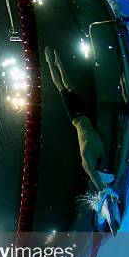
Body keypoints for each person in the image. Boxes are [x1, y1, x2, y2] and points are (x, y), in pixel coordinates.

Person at [44, 46, 107, 191]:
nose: (105, 167)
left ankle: (49, 62)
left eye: (104, 168)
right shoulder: (100, 151)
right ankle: (57, 63)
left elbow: (96, 181)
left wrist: (103, 191)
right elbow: (102, 176)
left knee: (61, 86)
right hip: (83, 112)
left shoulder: (88, 161)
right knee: (68, 83)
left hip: (75, 116)